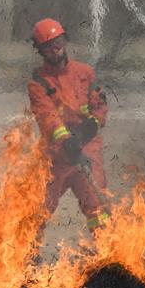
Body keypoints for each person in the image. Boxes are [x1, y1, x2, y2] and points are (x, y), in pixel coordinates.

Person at [27, 18, 109, 232]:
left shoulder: (85, 72)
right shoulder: (38, 81)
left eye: (58, 41)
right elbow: (47, 116)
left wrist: (88, 129)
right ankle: (27, 255)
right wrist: (67, 141)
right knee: (39, 208)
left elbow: (99, 106)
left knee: (96, 206)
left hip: (87, 150)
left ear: (65, 40)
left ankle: (107, 251)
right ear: (40, 50)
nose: (55, 49)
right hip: (56, 155)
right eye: (48, 46)